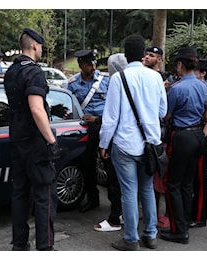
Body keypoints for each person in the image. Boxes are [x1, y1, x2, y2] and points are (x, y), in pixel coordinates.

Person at [99, 34, 167, 251]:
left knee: (129, 191)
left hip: (125, 143)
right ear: (142, 54)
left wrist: (103, 143)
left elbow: (111, 117)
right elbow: (162, 111)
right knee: (147, 188)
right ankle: (151, 234)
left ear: (126, 55)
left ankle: (130, 239)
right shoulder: (156, 78)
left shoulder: (119, 78)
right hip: (150, 144)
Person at [3, 28, 60, 251]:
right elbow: (37, 110)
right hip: (35, 143)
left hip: (17, 140)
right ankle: (45, 248)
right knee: (44, 195)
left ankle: (19, 244)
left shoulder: (11, 71)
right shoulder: (34, 72)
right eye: (41, 46)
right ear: (35, 45)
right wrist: (52, 141)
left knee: (20, 194)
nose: (42, 49)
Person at [160, 47, 207, 244]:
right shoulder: (205, 87)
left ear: (180, 65)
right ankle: (184, 223)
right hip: (199, 134)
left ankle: (178, 230)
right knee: (187, 183)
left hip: (182, 136)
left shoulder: (177, 88)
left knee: (172, 184)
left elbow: (166, 115)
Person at [67, 49, 110, 213]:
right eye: (88, 64)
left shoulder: (106, 80)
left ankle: (116, 203)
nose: (92, 67)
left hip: (104, 126)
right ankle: (93, 199)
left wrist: (100, 120)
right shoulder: (72, 84)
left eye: (94, 63)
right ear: (80, 65)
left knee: (109, 165)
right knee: (88, 165)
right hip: (85, 129)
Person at [93, 53, 126, 232]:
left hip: (117, 140)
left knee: (115, 181)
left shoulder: (116, 83)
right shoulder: (143, 80)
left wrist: (103, 144)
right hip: (139, 140)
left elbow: (110, 118)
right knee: (133, 184)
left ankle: (115, 219)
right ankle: (133, 217)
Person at [142, 45, 170, 229]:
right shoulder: (141, 75)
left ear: (159, 59)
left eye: (151, 55)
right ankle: (147, 214)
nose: (147, 57)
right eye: (146, 54)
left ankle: (159, 215)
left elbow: (164, 111)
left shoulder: (164, 79)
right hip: (143, 133)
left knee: (158, 180)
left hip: (158, 134)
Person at [190, 58, 207, 228]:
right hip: (195, 134)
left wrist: (202, 135)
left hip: (201, 135)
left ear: (203, 73)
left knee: (200, 180)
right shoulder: (198, 88)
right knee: (192, 178)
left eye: (196, 70)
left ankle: (199, 216)